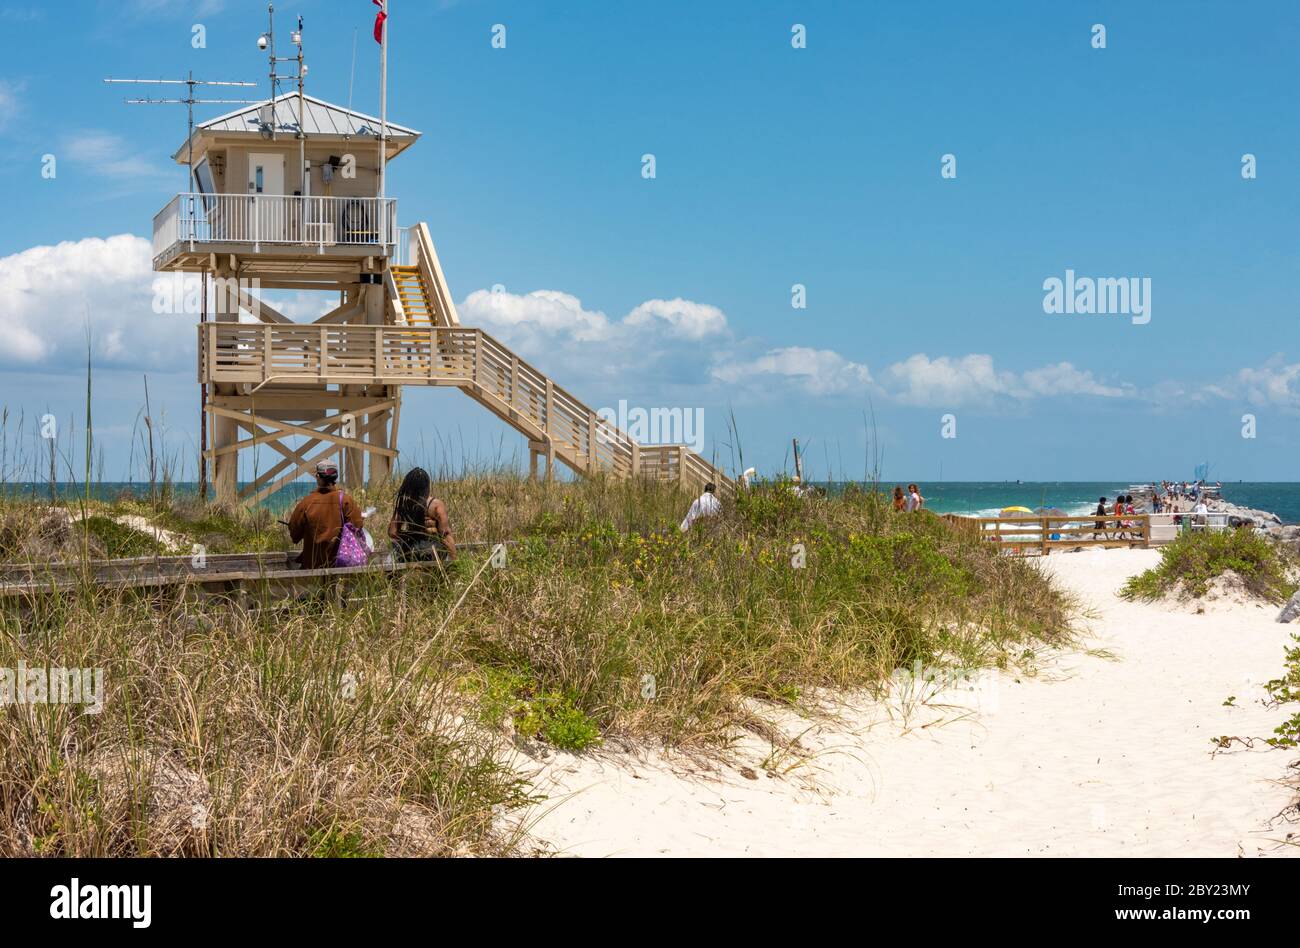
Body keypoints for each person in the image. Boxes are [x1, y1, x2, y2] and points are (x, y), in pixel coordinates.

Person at [288, 461, 364, 569]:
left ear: (318, 476)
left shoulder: (306, 503)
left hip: (312, 567)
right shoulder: (346, 500)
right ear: (335, 476)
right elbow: (357, 526)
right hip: (340, 566)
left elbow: (294, 534)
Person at [387, 466, 457, 563]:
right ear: (428, 487)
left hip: (409, 552)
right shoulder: (436, 505)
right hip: (432, 552)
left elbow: (392, 533)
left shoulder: (404, 504)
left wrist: (411, 535)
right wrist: (455, 559)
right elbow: (446, 534)